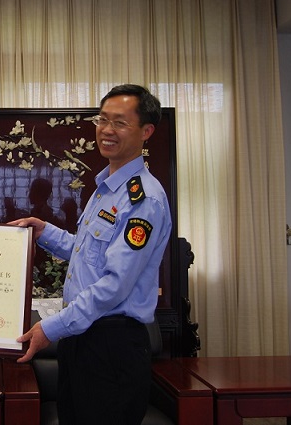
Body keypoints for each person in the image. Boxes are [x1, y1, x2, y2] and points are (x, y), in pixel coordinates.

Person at [10, 84, 172, 425]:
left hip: (111, 344)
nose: (107, 130)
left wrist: (51, 327)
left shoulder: (143, 199)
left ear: (146, 131)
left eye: (120, 122)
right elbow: (88, 255)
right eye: (102, 119)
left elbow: (115, 284)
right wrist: (44, 231)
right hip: (82, 338)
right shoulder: (106, 189)